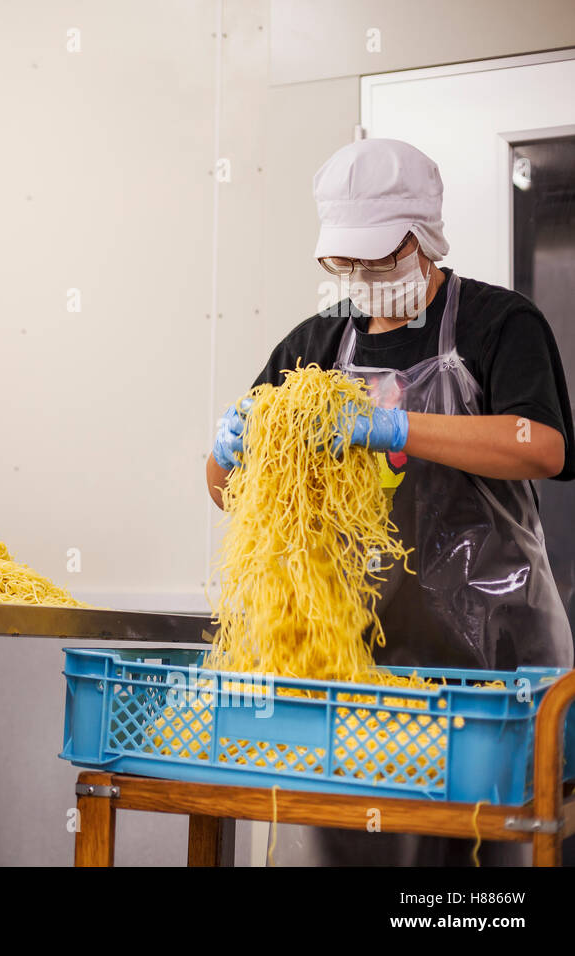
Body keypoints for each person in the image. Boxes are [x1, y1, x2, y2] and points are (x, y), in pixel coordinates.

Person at [206, 138, 574, 865]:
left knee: (484, 870)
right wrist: (227, 454)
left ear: (424, 238)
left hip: (489, 675)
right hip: (350, 676)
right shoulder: (312, 345)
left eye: (379, 260)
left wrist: (396, 426)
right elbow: (228, 495)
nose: (362, 278)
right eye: (346, 265)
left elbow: (544, 448)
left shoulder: (498, 324)